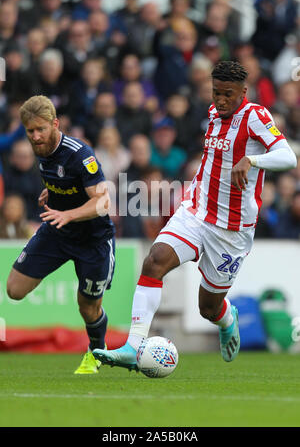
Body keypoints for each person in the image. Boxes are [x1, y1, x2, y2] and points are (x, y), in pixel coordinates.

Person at [93, 60, 296, 370]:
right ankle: (134, 345)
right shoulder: (214, 115)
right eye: (216, 93)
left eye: (228, 94)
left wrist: (252, 162)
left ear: (243, 91)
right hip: (197, 212)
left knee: (208, 306)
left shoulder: (255, 116)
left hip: (231, 229)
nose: (221, 100)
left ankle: (227, 316)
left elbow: (288, 157)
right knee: (155, 260)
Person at [6, 95, 115, 375]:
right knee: (14, 289)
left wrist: (68, 213)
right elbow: (64, 179)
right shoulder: (40, 151)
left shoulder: (80, 154)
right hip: (58, 232)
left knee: (88, 307)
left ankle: (95, 354)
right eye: (30, 131)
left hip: (93, 240)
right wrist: (53, 192)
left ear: (55, 124)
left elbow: (103, 203)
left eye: (41, 129)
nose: (36, 136)